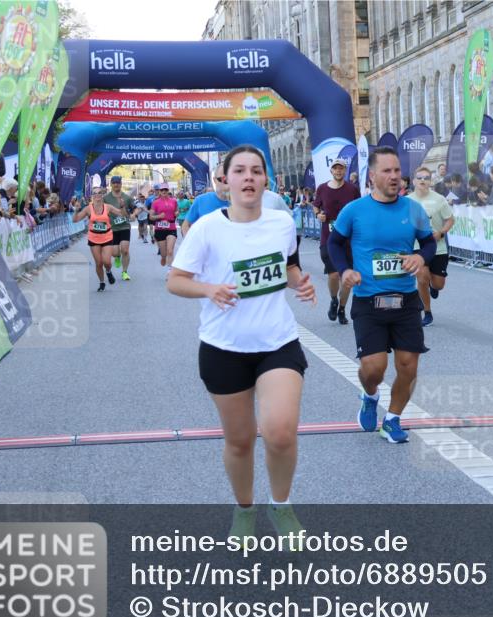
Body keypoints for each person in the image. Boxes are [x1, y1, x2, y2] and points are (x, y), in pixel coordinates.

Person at [167, 145, 316, 544]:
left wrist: (299, 284)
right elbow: (175, 281)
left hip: (277, 342)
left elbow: (288, 266)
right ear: (226, 180)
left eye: (256, 171)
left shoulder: (282, 222)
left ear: (266, 180)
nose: (248, 177)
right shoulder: (206, 229)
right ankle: (244, 510)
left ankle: (281, 506)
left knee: (280, 432)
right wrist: (208, 289)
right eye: (240, 171)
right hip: (223, 348)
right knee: (239, 440)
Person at [327, 147, 436, 444]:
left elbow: (429, 243)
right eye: (387, 171)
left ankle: (392, 420)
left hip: (405, 300)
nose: (394, 176)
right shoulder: (354, 211)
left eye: (397, 170)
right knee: (373, 369)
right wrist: (345, 270)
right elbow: (334, 243)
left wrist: (420, 257)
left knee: (408, 366)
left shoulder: (413, 210)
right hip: (369, 301)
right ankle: (370, 395)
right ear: (372, 176)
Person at [313, 157, 360, 325]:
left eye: (341, 168)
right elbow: (316, 205)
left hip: (348, 240)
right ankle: (334, 300)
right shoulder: (322, 188)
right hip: (328, 238)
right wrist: (318, 214)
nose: (338, 171)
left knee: (345, 277)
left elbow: (358, 209)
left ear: (345, 171)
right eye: (335, 168)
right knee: (333, 274)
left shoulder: (352, 189)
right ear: (331, 170)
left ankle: (342, 308)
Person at [408, 166, 455, 327]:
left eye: (426, 178)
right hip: (417, 246)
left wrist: (441, 232)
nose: (422, 180)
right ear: (414, 181)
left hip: (437, 246)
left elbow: (450, 219)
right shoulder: (407, 201)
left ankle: (432, 286)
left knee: (438, 284)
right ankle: (427, 312)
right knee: (422, 277)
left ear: (430, 181)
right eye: (419, 178)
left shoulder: (439, 199)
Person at [73, 187, 122, 292]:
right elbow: (75, 220)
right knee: (99, 263)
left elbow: (121, 213)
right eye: (95, 193)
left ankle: (108, 271)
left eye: (99, 193)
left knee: (107, 262)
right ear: (92, 195)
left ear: (102, 194)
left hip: (107, 236)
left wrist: (122, 206)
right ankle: (102, 282)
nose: (97, 195)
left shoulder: (108, 207)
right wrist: (76, 210)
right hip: (94, 238)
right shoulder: (88, 209)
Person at [183, 164, 230, 238]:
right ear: (215, 180)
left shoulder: (242, 202)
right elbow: (185, 226)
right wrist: (191, 242)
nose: (227, 183)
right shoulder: (201, 200)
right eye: (223, 179)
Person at [103, 176, 135, 280]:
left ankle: (124, 272)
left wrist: (134, 214)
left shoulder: (127, 197)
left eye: (118, 183)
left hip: (125, 226)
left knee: (125, 250)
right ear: (111, 184)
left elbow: (136, 207)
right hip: (112, 228)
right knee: (115, 252)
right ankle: (117, 257)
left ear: (121, 184)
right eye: (114, 183)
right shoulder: (106, 198)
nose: (116, 184)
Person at [149, 185, 178, 274]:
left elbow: (177, 211)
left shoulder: (174, 201)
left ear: (168, 191)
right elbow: (151, 217)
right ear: (159, 191)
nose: (164, 191)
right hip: (160, 229)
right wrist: (159, 216)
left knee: (170, 250)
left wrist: (177, 213)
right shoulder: (155, 202)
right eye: (162, 190)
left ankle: (169, 271)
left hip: (171, 227)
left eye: (165, 189)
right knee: (164, 253)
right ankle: (163, 257)